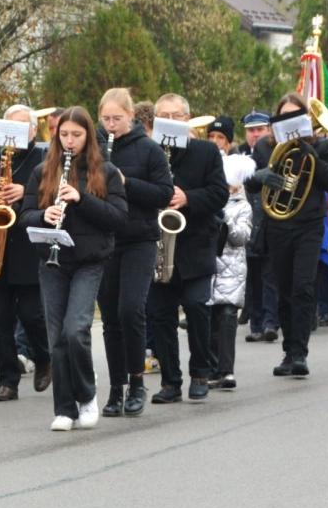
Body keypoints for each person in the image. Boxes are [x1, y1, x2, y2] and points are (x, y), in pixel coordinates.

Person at [19, 106, 127, 431]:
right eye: (63, 134)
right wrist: (44, 216)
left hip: (90, 261)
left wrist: (81, 199)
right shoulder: (42, 172)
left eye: (76, 135)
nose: (69, 141)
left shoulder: (105, 172)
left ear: (88, 136)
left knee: (75, 331)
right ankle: (65, 409)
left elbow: (118, 218)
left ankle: (87, 395)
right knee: (57, 340)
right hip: (52, 262)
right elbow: (24, 215)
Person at [247, 93, 328, 377]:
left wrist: (313, 157)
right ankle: (289, 351)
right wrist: (261, 175)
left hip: (309, 225)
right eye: (284, 117)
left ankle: (300, 352)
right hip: (278, 226)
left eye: (295, 117)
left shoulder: (323, 146)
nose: (290, 123)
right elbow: (250, 184)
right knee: (284, 291)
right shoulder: (265, 148)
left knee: (303, 287)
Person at [95, 89, 173, 417]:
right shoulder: (95, 149)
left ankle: (137, 382)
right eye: (106, 119)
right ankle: (115, 388)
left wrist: (125, 182)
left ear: (131, 117)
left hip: (139, 238)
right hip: (104, 239)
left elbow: (164, 193)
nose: (111, 125)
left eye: (117, 118)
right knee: (110, 318)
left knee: (131, 310)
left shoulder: (149, 149)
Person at [149, 94, 231, 402]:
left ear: (187, 119)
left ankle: (200, 371)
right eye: (164, 115)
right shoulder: (150, 151)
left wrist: (187, 198)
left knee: (197, 306)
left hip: (196, 243)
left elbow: (219, 193)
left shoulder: (206, 151)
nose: (171, 120)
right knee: (160, 314)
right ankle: (170, 381)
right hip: (159, 246)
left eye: (176, 115)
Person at [0, 105, 52, 402]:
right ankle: (7, 380)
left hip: (29, 247)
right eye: (10, 127)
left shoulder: (45, 160)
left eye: (23, 127)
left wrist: (27, 192)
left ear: (34, 130)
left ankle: (44, 358)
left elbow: (53, 197)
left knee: (32, 314)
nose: (16, 133)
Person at [208, 152, 254, 391]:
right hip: (208, 268)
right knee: (208, 320)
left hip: (231, 271)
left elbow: (241, 238)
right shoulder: (209, 199)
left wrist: (224, 216)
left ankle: (226, 371)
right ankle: (209, 369)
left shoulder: (243, 207)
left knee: (226, 318)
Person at [235, 108, 281, 340]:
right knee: (252, 276)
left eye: (260, 129)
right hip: (248, 221)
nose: (255, 135)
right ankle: (255, 324)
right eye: (251, 130)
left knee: (269, 275)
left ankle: (270, 323)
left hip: (270, 219)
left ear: (269, 130)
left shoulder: (277, 151)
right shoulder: (239, 156)